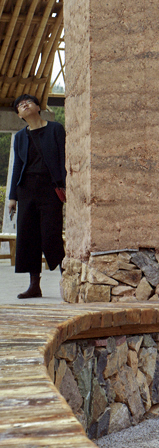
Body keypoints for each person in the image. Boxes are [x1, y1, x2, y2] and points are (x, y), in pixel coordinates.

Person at [5, 94, 66, 299]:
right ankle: (34, 286)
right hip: (27, 190)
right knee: (28, 237)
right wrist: (12, 197)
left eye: (28, 102)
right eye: (20, 105)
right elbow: (17, 167)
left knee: (51, 235)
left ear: (38, 107)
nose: (24, 104)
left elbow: (64, 157)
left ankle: (68, 280)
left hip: (50, 189)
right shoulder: (20, 137)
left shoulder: (56, 129)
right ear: (19, 115)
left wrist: (66, 184)